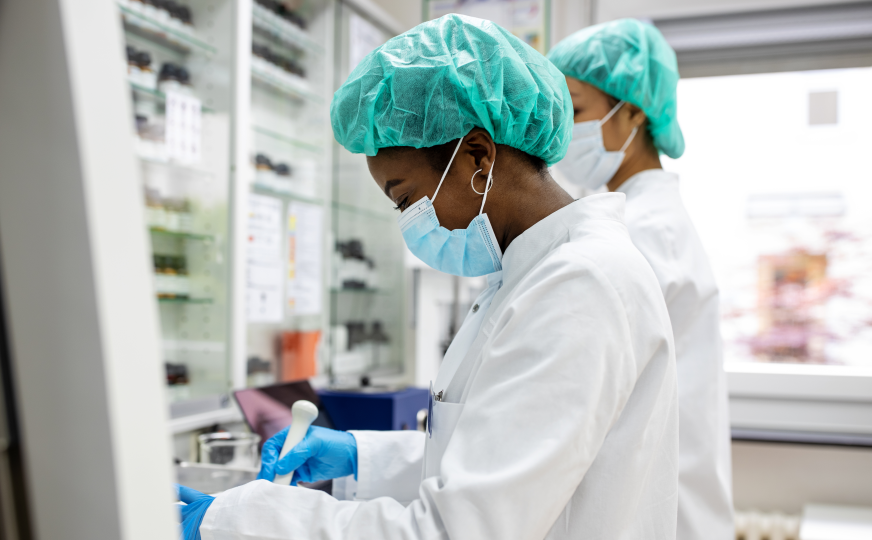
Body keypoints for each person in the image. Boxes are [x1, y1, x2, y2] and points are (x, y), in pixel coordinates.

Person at [176, 14, 679, 539]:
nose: (411, 225)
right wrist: (358, 456)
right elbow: (492, 453)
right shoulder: (531, 274)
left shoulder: (579, 286)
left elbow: (456, 529)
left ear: (478, 157)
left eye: (406, 200)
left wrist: (235, 519)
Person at [547, 18, 734, 540]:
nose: (564, 130)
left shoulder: (645, 233)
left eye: (577, 109)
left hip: (662, 513)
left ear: (631, 112)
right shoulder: (640, 219)